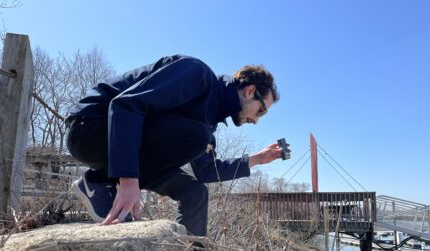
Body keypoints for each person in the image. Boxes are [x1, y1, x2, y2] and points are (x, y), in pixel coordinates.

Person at [65, 54, 283, 240]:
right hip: (90, 128)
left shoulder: (209, 120)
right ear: (250, 90)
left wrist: (256, 159)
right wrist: (128, 180)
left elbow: (206, 171)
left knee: (195, 192)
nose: (256, 120)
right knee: (197, 137)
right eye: (261, 111)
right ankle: (98, 181)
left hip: (126, 147)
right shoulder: (196, 75)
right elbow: (125, 105)